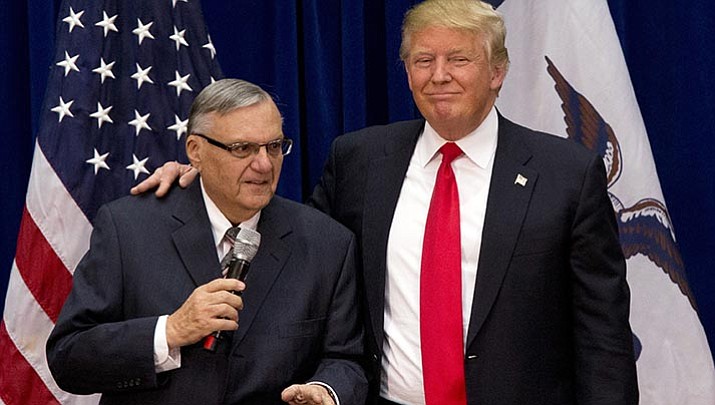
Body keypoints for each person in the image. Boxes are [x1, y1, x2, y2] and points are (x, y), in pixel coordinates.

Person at [133, 1, 639, 404]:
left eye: (459, 59)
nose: (439, 75)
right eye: (423, 60)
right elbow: (292, 250)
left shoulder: (566, 174)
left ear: (498, 71)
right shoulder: (360, 160)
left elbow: (604, 339)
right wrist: (205, 180)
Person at [46, 79, 367, 405]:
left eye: (274, 146)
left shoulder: (326, 243)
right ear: (195, 151)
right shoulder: (127, 228)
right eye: (242, 149)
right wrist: (169, 331)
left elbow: (346, 360)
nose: (264, 164)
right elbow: (68, 356)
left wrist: (327, 390)